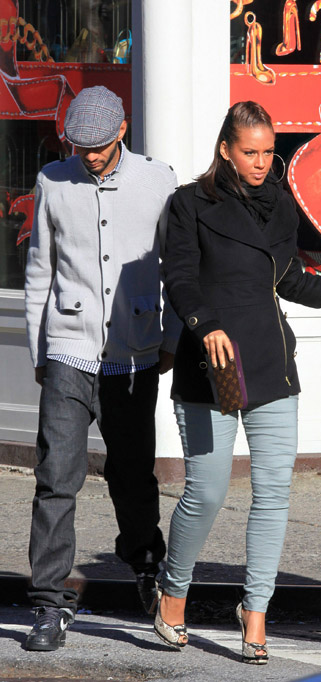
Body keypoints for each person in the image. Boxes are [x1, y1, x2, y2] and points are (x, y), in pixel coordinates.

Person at [156, 100, 321, 664]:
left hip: (269, 364)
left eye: (268, 153)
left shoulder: (281, 207)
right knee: (207, 491)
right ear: (225, 149)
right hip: (215, 366)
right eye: (250, 152)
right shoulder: (189, 204)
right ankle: (171, 590)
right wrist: (203, 323)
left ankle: (255, 612)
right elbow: (180, 276)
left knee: (273, 492)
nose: (262, 163)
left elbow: (290, 281)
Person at [24, 86, 180, 651]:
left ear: (121, 131)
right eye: (79, 145)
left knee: (133, 476)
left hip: (134, 354)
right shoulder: (52, 180)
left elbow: (177, 267)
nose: (88, 155)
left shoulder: (158, 180)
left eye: (98, 144)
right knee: (54, 479)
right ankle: (47, 601)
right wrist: (40, 352)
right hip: (68, 349)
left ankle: (144, 567)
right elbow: (40, 268)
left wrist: (173, 340)